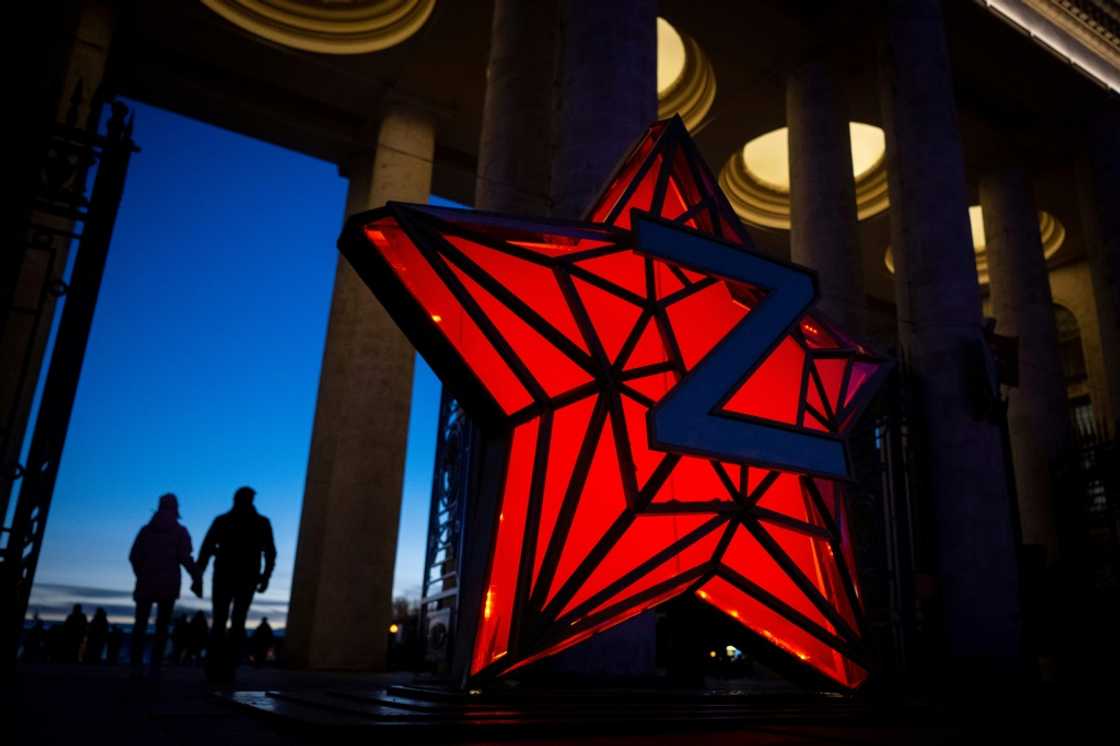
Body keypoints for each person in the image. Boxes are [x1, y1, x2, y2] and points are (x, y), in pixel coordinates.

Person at [197, 486, 276, 684]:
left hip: (226, 576)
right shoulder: (260, 523)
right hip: (245, 578)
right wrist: (265, 577)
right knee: (236, 621)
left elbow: (206, 549)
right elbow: (270, 553)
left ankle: (217, 666)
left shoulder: (224, 521)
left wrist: (198, 575)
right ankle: (228, 667)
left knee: (222, 620)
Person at [128, 492, 200, 678]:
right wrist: (196, 576)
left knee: (140, 625)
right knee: (162, 626)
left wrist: (141, 574)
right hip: (169, 585)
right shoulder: (180, 531)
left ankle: (135, 664)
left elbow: (134, 556)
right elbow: (186, 558)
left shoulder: (146, 531)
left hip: (145, 583)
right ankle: (155, 665)